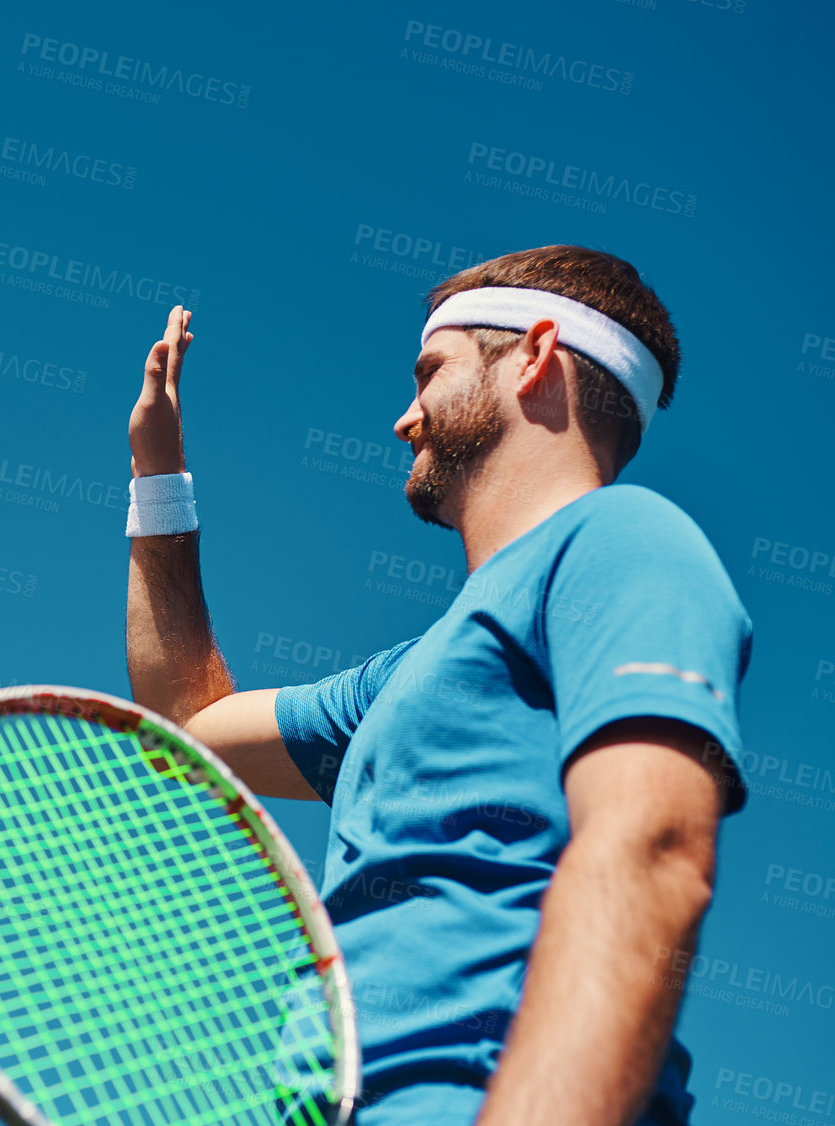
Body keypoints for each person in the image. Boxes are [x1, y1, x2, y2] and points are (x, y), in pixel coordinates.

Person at [124, 246, 751, 1125]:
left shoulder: (622, 537)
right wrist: (158, 479)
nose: (404, 418)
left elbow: (654, 850)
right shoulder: (410, 672)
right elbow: (187, 725)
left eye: (431, 373)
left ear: (534, 356)